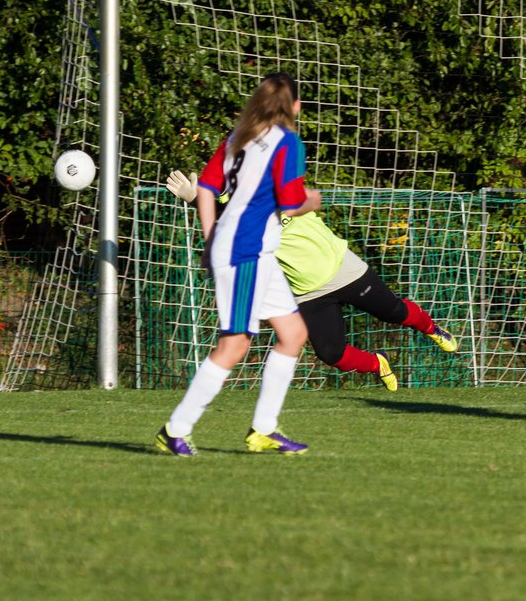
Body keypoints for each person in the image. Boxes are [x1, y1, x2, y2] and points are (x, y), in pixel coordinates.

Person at [155, 72, 321, 457]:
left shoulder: (237, 138)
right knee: (234, 344)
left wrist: (211, 236)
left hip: (251, 250)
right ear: (295, 107)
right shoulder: (287, 143)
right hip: (245, 251)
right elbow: (292, 202)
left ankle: (263, 429)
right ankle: (175, 430)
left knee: (293, 333)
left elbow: (207, 189)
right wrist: (315, 200)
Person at [166, 179, 459, 391]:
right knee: (331, 354)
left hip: (345, 270)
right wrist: (197, 201)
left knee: (394, 312)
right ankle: (377, 364)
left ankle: (432, 329)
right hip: (308, 292)